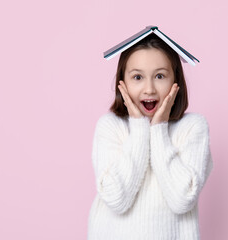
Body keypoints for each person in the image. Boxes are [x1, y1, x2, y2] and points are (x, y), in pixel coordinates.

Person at [87, 33, 214, 239]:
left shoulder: (193, 127)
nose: (149, 89)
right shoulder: (109, 126)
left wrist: (159, 129)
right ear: (123, 83)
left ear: (176, 82)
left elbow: (182, 199)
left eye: (160, 76)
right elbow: (116, 199)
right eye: (137, 77)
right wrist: (139, 128)